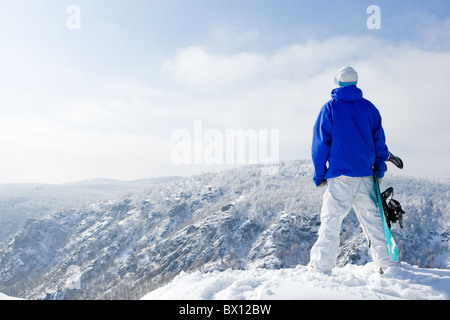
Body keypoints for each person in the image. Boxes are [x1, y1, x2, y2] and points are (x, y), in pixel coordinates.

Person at [308, 66, 396, 274]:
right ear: (355, 83)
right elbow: (379, 143)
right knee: (374, 221)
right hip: (366, 174)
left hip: (340, 176)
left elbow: (320, 145)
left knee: (331, 221)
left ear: (337, 83)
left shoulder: (330, 109)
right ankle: (386, 264)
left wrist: (320, 174)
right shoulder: (369, 108)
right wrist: (379, 170)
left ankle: (321, 267)